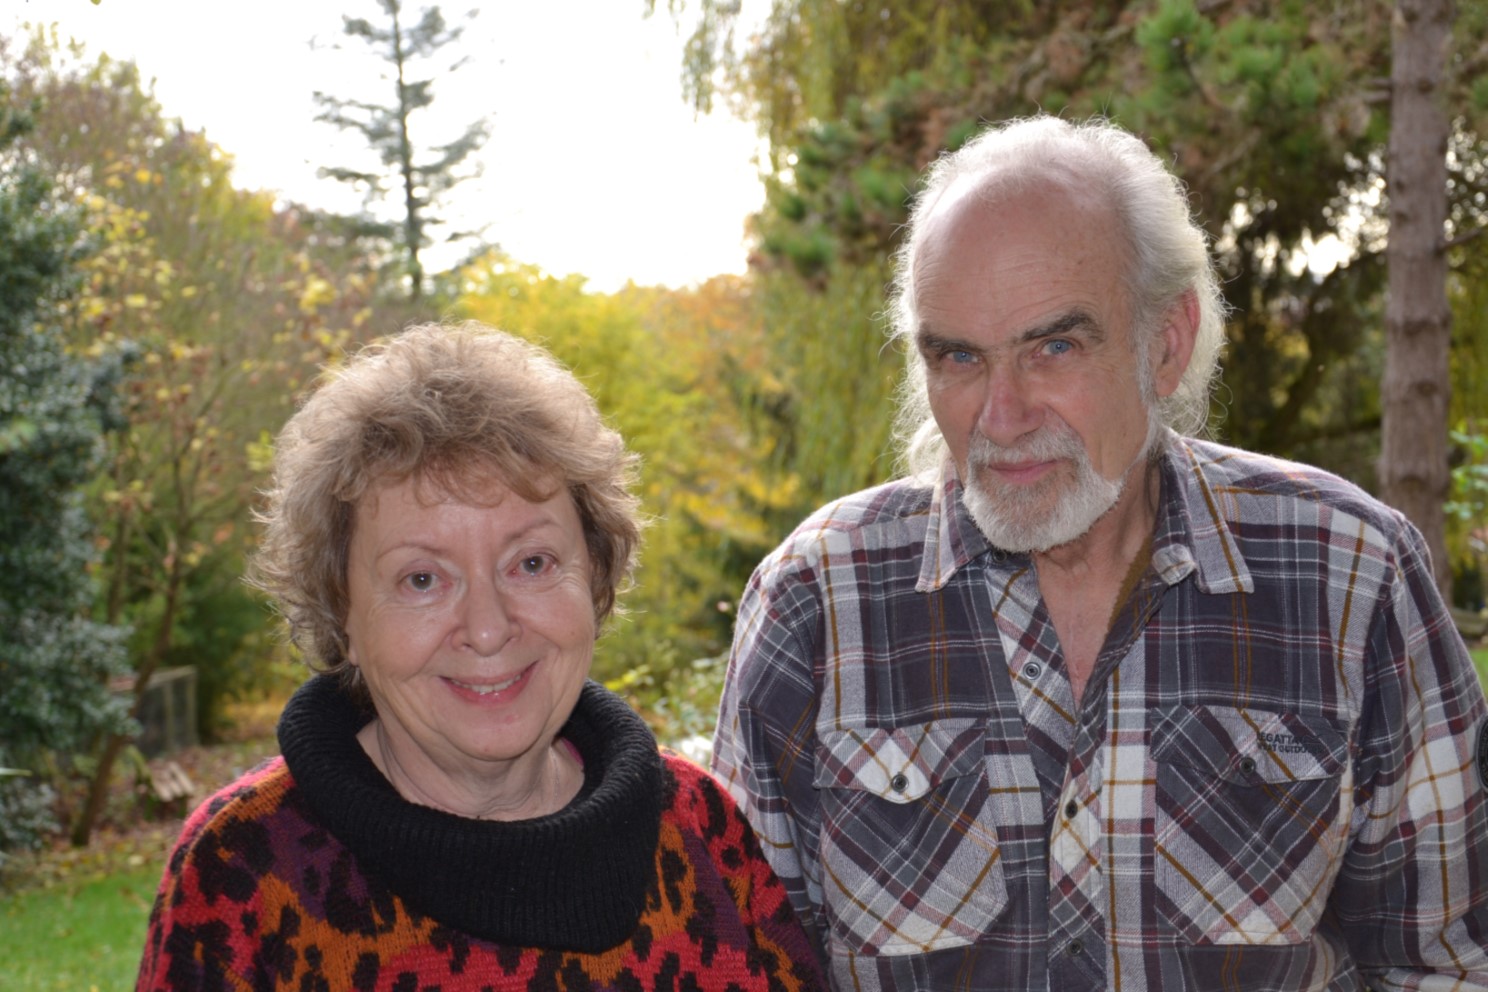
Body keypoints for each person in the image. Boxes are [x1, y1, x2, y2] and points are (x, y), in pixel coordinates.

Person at [712, 115, 1488, 990]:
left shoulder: (1350, 576)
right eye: (959, 357)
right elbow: (744, 967)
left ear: (1166, 344)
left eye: (1054, 347)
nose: (1000, 417)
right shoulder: (816, 602)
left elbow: (1447, 965)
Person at [136, 322, 825, 991]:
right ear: (342, 611)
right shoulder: (243, 871)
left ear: (595, 575)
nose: (488, 629)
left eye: (531, 562)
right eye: (422, 579)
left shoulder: (699, 830)